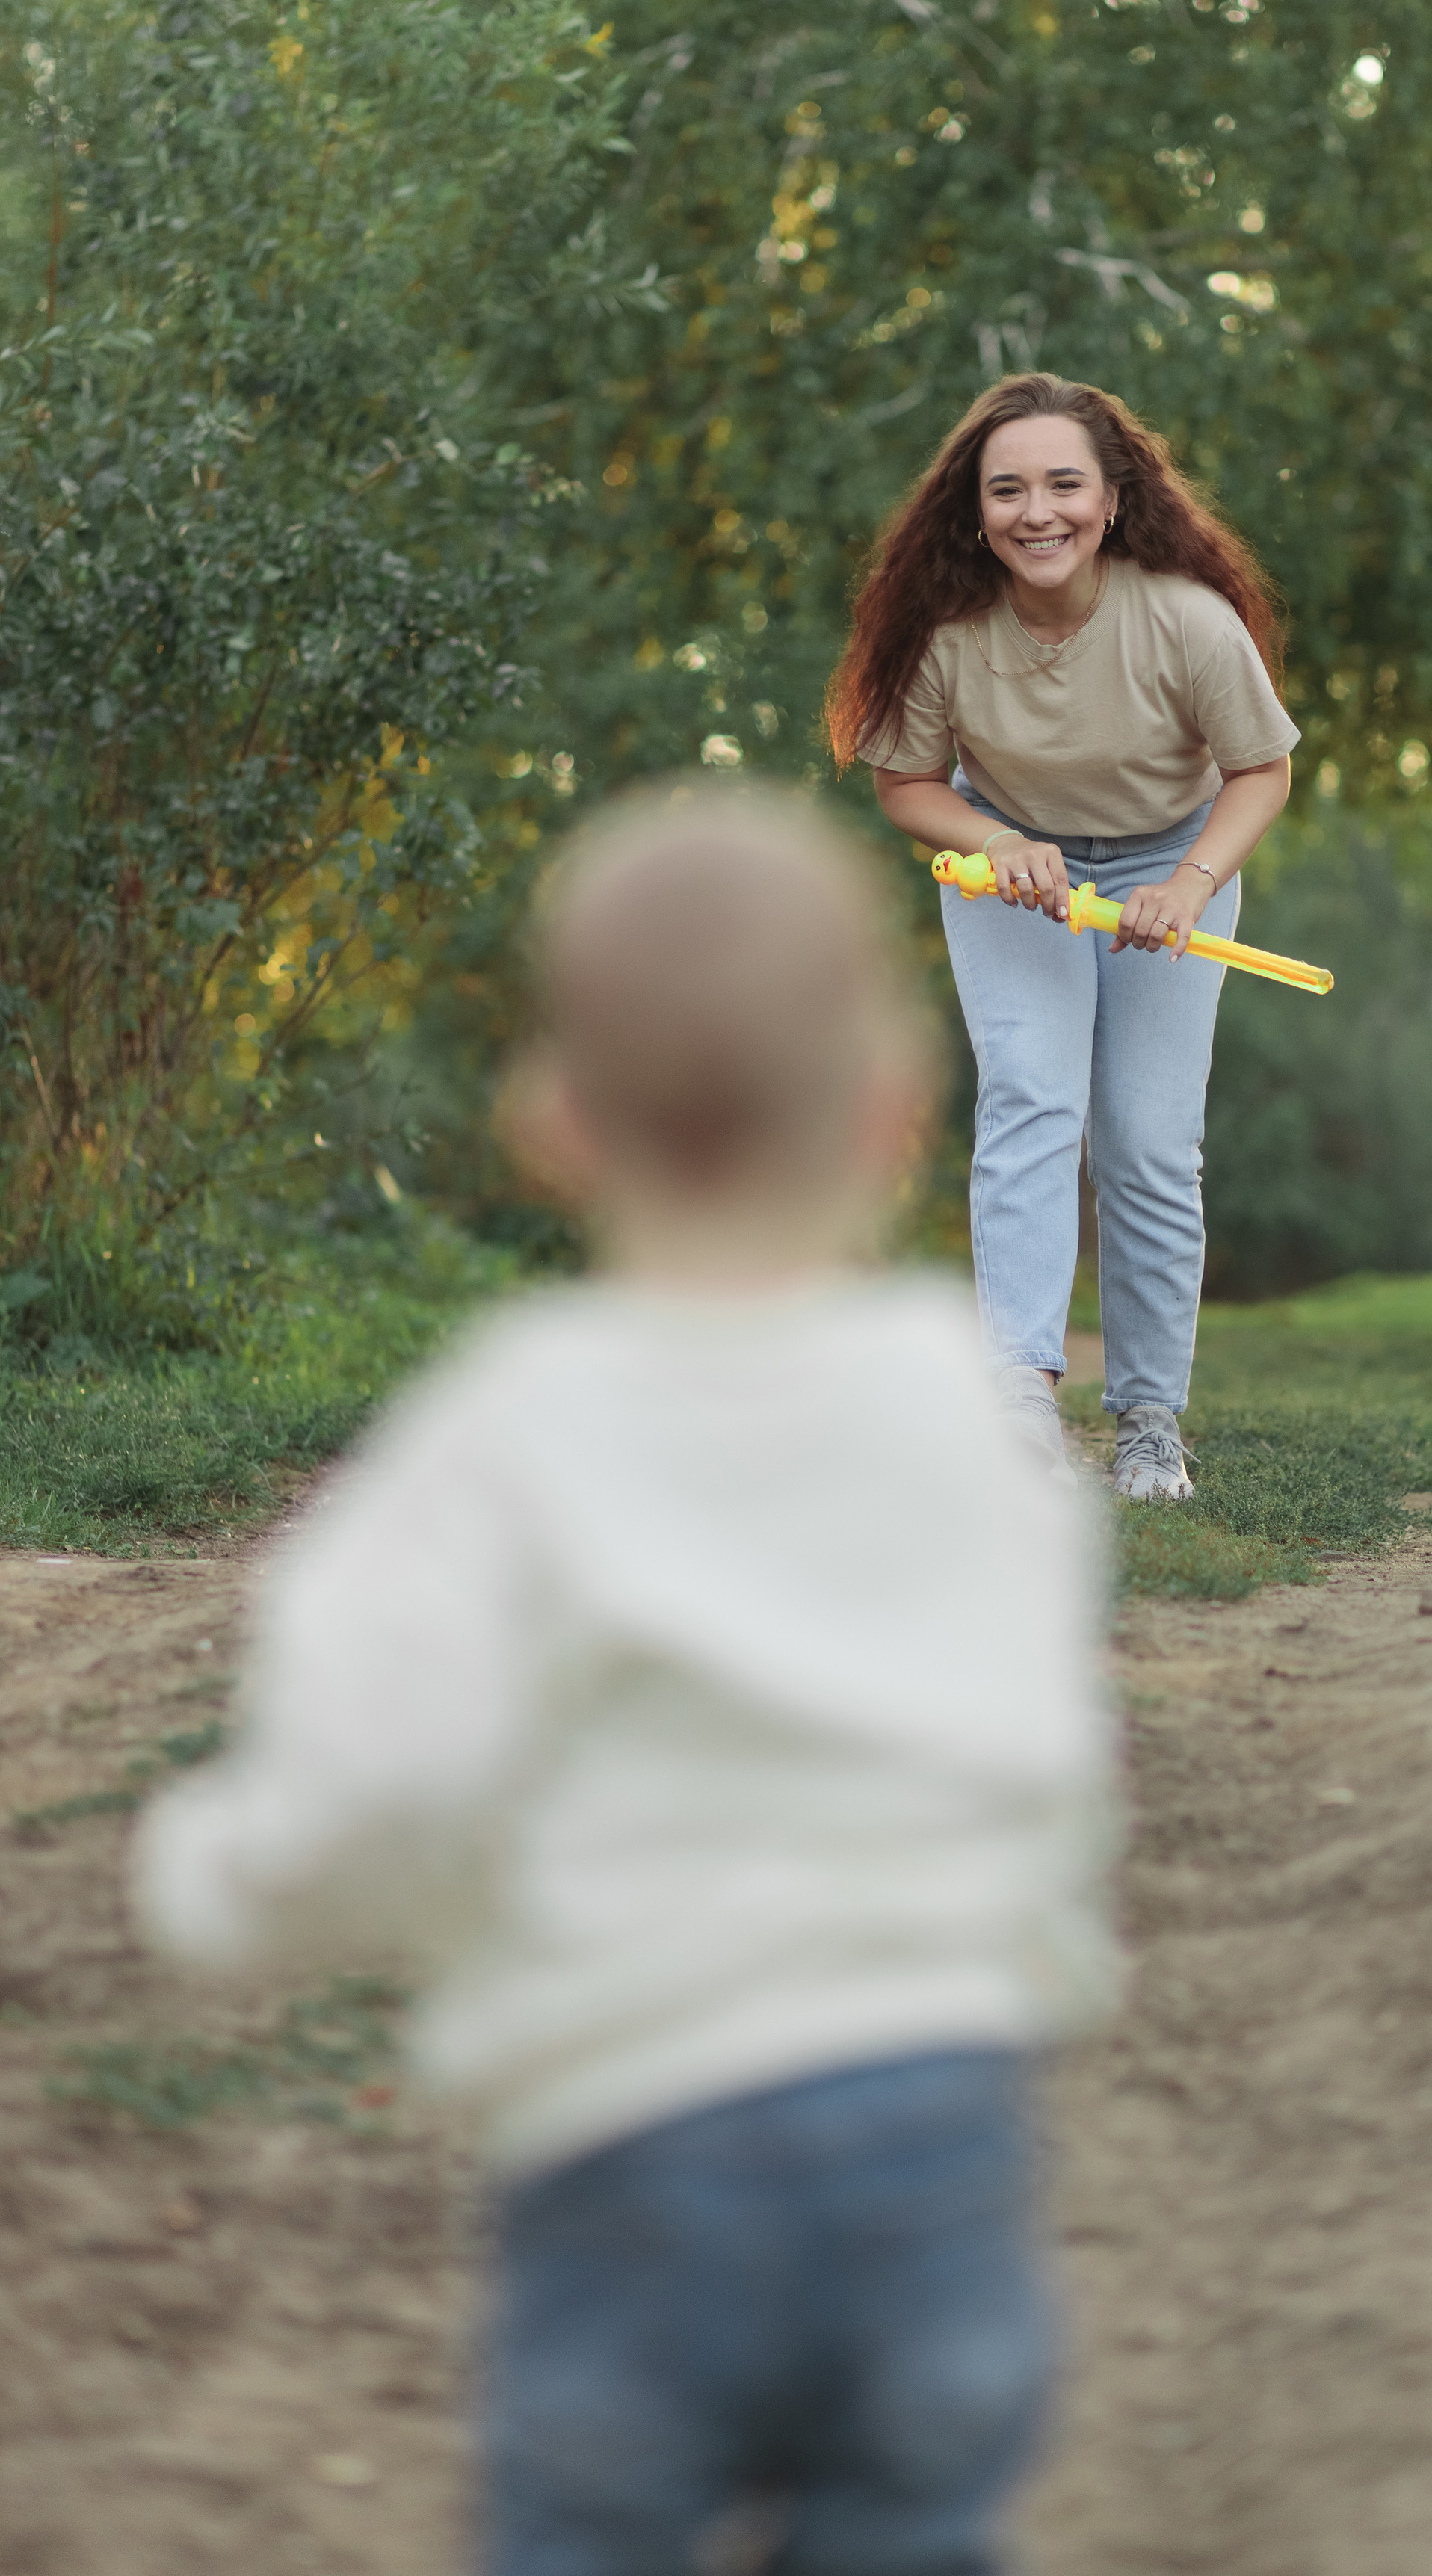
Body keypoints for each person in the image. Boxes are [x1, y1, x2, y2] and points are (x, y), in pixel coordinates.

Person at [132, 787, 1116, 2576]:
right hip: (942, 2141)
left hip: (637, 2163)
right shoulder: (955, 1420)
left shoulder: (514, 1423)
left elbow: (378, 1767)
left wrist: (217, 1880)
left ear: (552, 1127)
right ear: (900, 1118)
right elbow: (1041, 1743)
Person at [827, 371, 1299, 1501]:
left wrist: (1189, 884)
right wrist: (992, 842)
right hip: (1015, 875)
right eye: (1007, 491)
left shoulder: (1186, 621)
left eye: (1063, 486)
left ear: (1115, 500)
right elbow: (906, 786)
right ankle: (1022, 1411)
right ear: (975, 511)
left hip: (1168, 870)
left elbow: (1261, 770)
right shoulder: (949, 635)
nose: (1036, 513)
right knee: (1033, 1102)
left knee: (1146, 1140)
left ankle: (1148, 1425)